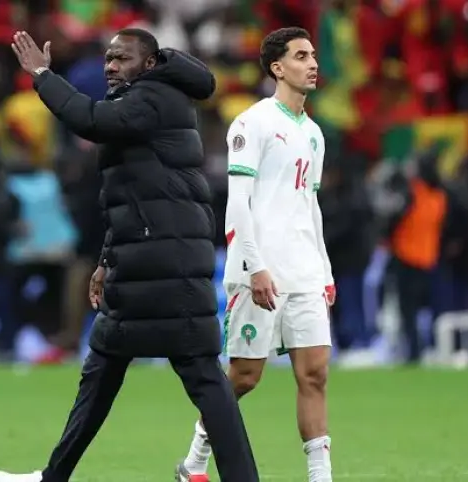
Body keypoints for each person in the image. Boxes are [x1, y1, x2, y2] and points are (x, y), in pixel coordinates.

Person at [0, 29, 259, 482]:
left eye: (122, 58)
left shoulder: (152, 98)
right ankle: (53, 476)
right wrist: (106, 260)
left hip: (165, 265)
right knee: (108, 374)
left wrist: (43, 75)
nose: (111, 67)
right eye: (108, 58)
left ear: (150, 64)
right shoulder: (148, 99)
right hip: (148, 263)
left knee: (199, 380)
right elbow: (131, 198)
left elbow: (89, 119)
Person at [176, 27, 337, 482]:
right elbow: (238, 205)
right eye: (301, 56)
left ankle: (320, 476)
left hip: (305, 269)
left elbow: (310, 206)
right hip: (260, 269)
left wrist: (324, 270)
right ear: (277, 68)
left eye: (312, 55)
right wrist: (255, 266)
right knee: (245, 376)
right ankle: (194, 461)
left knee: (315, 374)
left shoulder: (314, 134)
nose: (312, 63)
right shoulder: (253, 123)